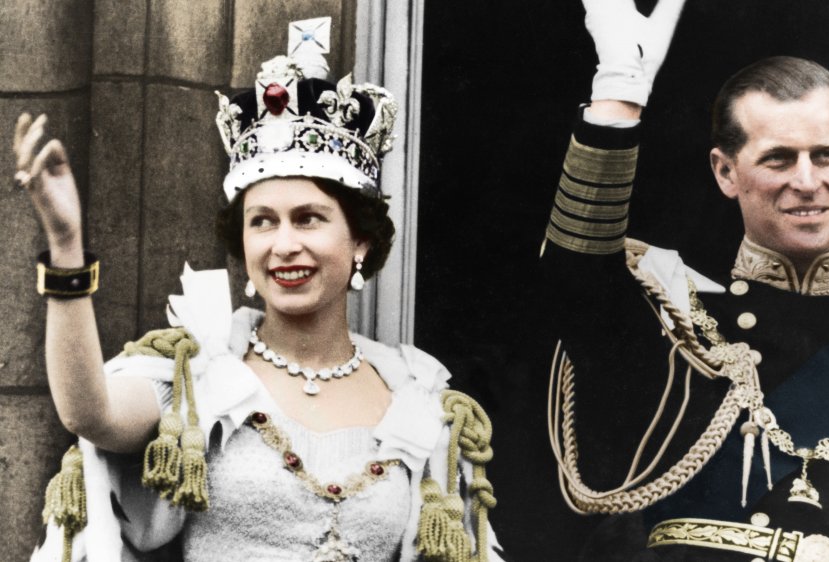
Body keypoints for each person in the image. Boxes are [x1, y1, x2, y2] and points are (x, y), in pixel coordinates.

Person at [18, 23, 502, 562]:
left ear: (360, 240)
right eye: (263, 222)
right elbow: (91, 412)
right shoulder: (196, 374)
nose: (284, 244)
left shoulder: (417, 396)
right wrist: (65, 246)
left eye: (309, 219)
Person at [542, 1, 829, 560]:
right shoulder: (675, 322)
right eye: (779, 159)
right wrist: (618, 100)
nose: (807, 182)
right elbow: (573, 279)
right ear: (726, 171)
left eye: (825, 156)